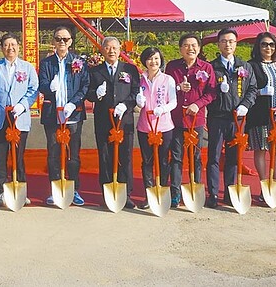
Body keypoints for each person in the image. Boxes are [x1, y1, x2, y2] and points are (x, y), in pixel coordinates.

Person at [0, 33, 39, 207]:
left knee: (18, 155)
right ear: (2, 48)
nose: (10, 48)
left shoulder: (27, 67)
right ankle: (0, 191)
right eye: (6, 45)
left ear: (18, 46)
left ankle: (20, 188)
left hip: (19, 117)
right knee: (1, 155)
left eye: (13, 44)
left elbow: (33, 89)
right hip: (0, 117)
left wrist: (23, 105)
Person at [206, 28, 257, 208]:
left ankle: (229, 192)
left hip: (238, 119)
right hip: (217, 117)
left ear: (236, 44)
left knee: (234, 157)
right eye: (224, 41)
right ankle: (212, 193)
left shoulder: (245, 66)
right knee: (213, 156)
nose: (227, 44)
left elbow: (252, 89)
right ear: (218, 44)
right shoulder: (211, 67)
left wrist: (245, 105)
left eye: (231, 41)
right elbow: (206, 91)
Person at [39, 26, 90, 206]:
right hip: (53, 113)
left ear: (71, 42)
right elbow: (41, 85)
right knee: (53, 151)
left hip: (73, 113)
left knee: (73, 153)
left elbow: (85, 86)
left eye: (65, 39)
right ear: (53, 41)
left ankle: (74, 189)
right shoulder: (47, 63)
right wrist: (48, 88)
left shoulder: (78, 62)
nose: (62, 42)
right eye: (58, 39)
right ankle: (55, 187)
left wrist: (73, 103)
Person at [87, 36, 139, 209]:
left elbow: (136, 92)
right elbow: (88, 93)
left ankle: (127, 193)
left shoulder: (130, 69)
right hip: (103, 120)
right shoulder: (95, 71)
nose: (111, 51)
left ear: (120, 50)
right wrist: (97, 94)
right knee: (105, 156)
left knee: (126, 156)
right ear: (102, 50)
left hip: (125, 121)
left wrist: (126, 105)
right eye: (107, 48)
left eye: (114, 48)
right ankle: (107, 192)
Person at [165, 34, 216, 208]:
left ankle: (195, 188)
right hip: (177, 119)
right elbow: (166, 89)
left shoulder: (207, 68)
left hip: (197, 119)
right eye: (186, 45)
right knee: (177, 157)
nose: (190, 48)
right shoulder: (172, 67)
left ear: (199, 48)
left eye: (194, 45)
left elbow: (211, 93)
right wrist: (179, 88)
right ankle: (175, 192)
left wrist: (198, 104)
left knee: (195, 157)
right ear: (180, 49)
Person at [246, 32, 276, 207]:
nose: (268, 48)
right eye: (265, 44)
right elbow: (248, 90)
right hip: (260, 116)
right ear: (258, 46)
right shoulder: (252, 66)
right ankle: (264, 186)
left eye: (271, 45)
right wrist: (260, 92)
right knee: (261, 150)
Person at [135, 47, 177, 209]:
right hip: (145, 126)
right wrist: (139, 102)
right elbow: (138, 102)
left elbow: (173, 102)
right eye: (150, 59)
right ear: (145, 61)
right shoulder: (140, 79)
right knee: (147, 161)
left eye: (156, 59)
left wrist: (163, 109)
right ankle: (149, 194)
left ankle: (162, 190)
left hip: (164, 126)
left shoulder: (168, 79)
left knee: (163, 160)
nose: (153, 62)